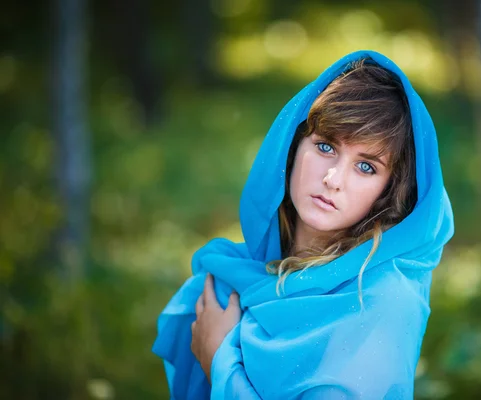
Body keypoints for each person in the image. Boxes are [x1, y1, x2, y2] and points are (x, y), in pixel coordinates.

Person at [152, 50, 454, 399]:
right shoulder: (235, 280)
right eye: (325, 146)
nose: (333, 178)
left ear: (389, 191)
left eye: (366, 166)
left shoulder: (380, 300)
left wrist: (219, 359)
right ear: (293, 147)